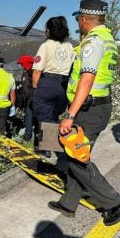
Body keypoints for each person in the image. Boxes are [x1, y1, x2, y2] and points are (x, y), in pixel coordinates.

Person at [51, 0, 120, 226]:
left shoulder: (93, 42)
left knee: (78, 160)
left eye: (79, 19)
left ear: (85, 19)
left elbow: (87, 78)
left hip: (89, 107)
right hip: (96, 105)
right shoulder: (108, 38)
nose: (78, 24)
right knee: (76, 155)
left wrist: (69, 115)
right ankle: (69, 202)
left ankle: (115, 202)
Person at [32, 16, 77, 157]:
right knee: (54, 115)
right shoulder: (69, 46)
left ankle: (45, 150)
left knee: (44, 115)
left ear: (50, 30)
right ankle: (54, 145)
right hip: (63, 84)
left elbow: (37, 70)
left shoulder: (46, 45)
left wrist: (35, 88)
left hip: (48, 82)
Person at [18, 55, 36, 142]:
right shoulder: (37, 72)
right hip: (39, 99)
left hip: (31, 99)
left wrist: (23, 101)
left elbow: (26, 90)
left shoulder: (27, 74)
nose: (21, 66)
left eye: (21, 64)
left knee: (29, 118)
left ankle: (27, 136)